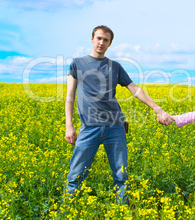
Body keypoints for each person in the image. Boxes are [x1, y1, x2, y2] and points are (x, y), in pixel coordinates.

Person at [65, 25, 173, 204]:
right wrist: (69, 125)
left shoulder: (115, 67)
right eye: (98, 38)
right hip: (89, 128)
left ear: (109, 44)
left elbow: (135, 89)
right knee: (75, 175)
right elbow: (70, 96)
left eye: (105, 40)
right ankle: (67, 211)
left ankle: (121, 212)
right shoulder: (77, 63)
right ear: (92, 39)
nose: (101, 42)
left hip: (115, 127)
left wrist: (157, 109)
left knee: (121, 175)